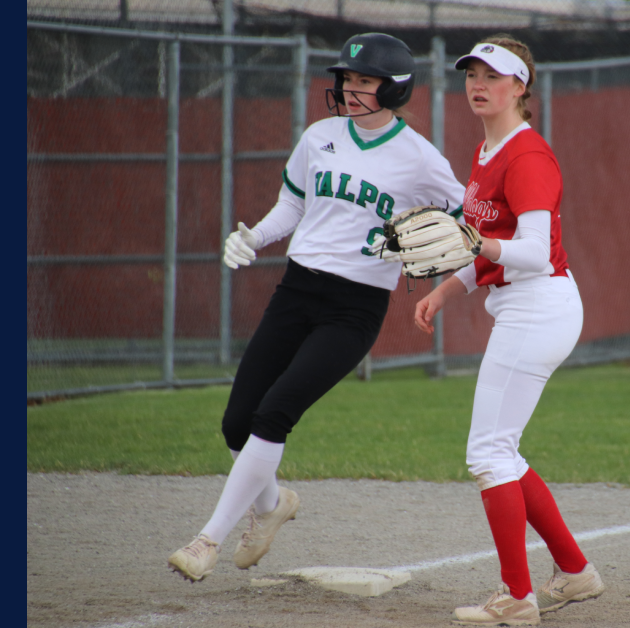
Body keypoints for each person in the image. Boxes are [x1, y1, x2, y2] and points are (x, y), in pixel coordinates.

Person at [167, 32, 466, 582]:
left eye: (364, 81)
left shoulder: (419, 157)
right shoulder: (320, 136)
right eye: (347, 79)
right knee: (237, 422)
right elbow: (293, 204)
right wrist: (254, 238)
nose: (350, 89)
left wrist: (443, 265)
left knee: (274, 413)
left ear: (396, 89)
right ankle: (271, 505)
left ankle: (207, 539)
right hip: (297, 290)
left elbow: (465, 216)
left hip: (355, 308)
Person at [413, 36, 605, 625]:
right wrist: (450, 287)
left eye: (492, 75)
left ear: (520, 86)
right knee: (503, 452)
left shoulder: (527, 158)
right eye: (471, 72)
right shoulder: (488, 151)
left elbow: (533, 255)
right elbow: (493, 250)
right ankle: (574, 573)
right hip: (526, 306)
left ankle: (517, 599)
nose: (478, 83)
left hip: (538, 304)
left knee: (487, 453)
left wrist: (473, 247)